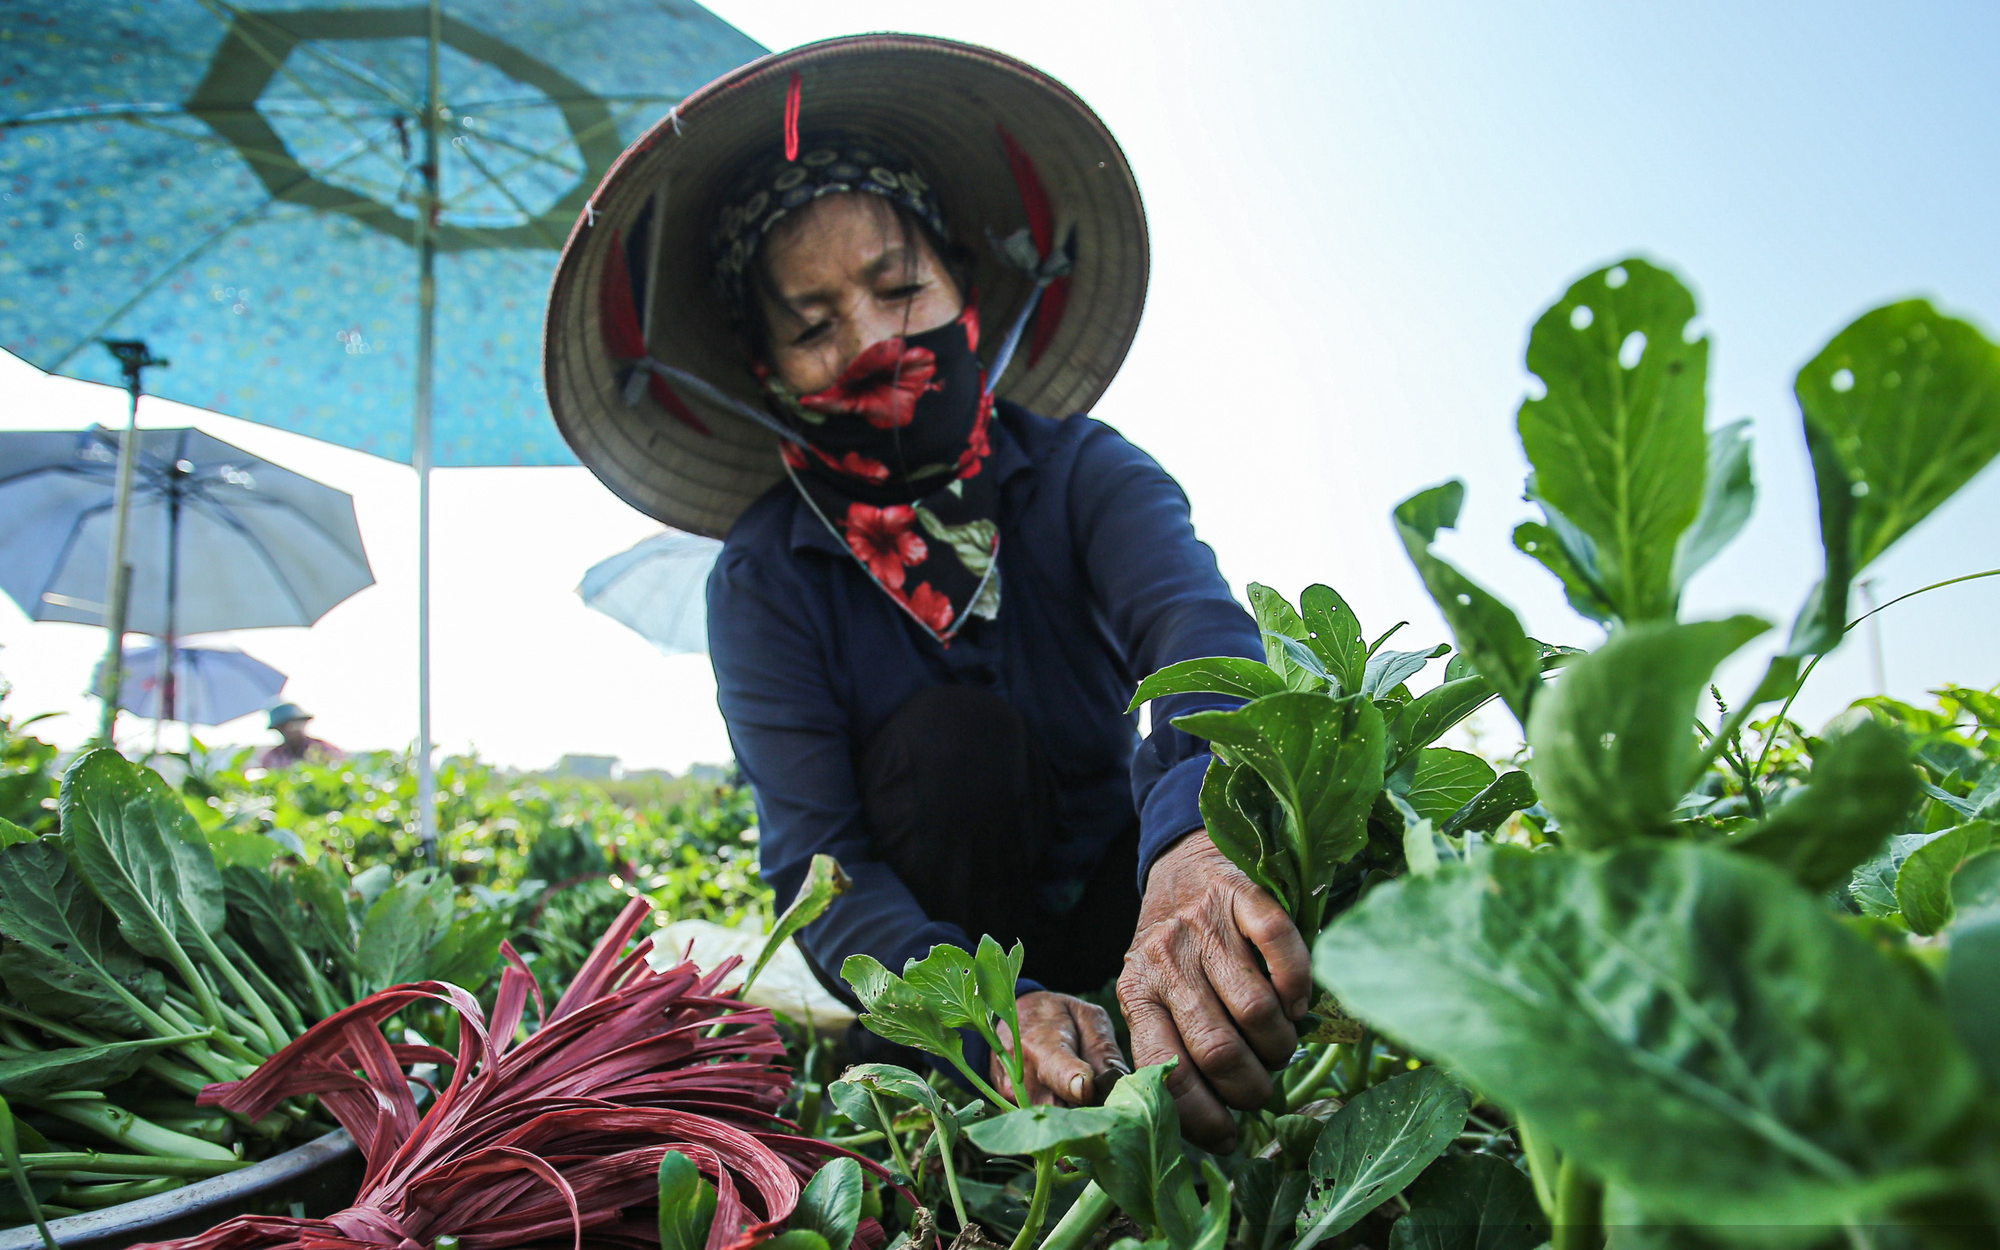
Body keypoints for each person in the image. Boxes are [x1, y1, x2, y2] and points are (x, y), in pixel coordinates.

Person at [545, 35, 1307, 1151]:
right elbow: (822, 865)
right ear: (769, 375)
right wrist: (984, 1010)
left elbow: (1196, 636)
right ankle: (959, 1082)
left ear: (961, 286)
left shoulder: (1084, 474)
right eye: (811, 327)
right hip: (935, 979)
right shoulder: (766, 576)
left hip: (1122, 904)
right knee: (952, 746)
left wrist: (1197, 839)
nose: (869, 340)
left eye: (899, 288)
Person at [259, 702, 342, 770]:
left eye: (293, 724)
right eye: (283, 727)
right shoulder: (272, 757)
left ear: (304, 723)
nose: (289, 729)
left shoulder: (325, 750)